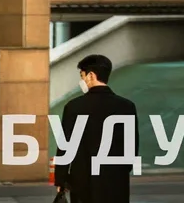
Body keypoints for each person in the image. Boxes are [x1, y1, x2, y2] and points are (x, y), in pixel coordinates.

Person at [54, 54, 139, 203]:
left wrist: (61, 179)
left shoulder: (74, 107)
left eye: (82, 76)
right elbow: (132, 146)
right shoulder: (126, 106)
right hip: (115, 180)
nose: (82, 81)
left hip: (82, 181)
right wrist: (121, 171)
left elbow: (65, 147)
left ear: (91, 75)